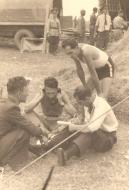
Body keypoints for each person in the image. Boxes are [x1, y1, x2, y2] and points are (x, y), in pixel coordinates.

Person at [57, 86, 118, 166]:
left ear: (87, 98)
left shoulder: (101, 105)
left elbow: (92, 127)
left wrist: (75, 127)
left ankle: (66, 155)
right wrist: (75, 123)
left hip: (107, 138)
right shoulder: (88, 104)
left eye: (80, 102)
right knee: (71, 126)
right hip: (97, 134)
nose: (79, 105)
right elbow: (86, 122)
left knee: (89, 132)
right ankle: (53, 144)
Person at [0, 76, 43, 168]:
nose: (28, 94)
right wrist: (42, 131)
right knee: (23, 132)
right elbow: (31, 129)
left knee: (20, 129)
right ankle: (7, 162)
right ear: (19, 92)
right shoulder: (11, 108)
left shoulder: (5, 102)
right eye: (26, 91)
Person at [24, 77, 77, 151]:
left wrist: (61, 102)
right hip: (45, 121)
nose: (50, 95)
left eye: (53, 93)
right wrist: (39, 99)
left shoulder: (61, 94)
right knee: (27, 114)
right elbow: (26, 109)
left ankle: (48, 136)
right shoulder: (41, 93)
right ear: (45, 89)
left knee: (72, 121)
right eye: (48, 93)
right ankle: (48, 134)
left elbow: (74, 113)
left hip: (58, 123)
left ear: (57, 89)